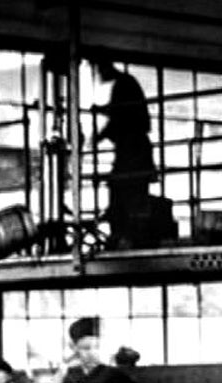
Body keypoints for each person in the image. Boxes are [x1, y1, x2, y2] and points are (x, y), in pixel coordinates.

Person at [89, 59, 157, 250]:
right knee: (128, 190)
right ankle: (127, 234)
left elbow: (120, 117)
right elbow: (122, 112)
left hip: (132, 151)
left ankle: (123, 235)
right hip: (135, 150)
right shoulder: (126, 83)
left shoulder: (123, 84)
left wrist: (96, 138)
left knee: (122, 190)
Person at [62, 316, 137, 383]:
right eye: (86, 348)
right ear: (74, 347)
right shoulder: (68, 374)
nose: (92, 354)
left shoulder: (115, 375)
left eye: (97, 348)